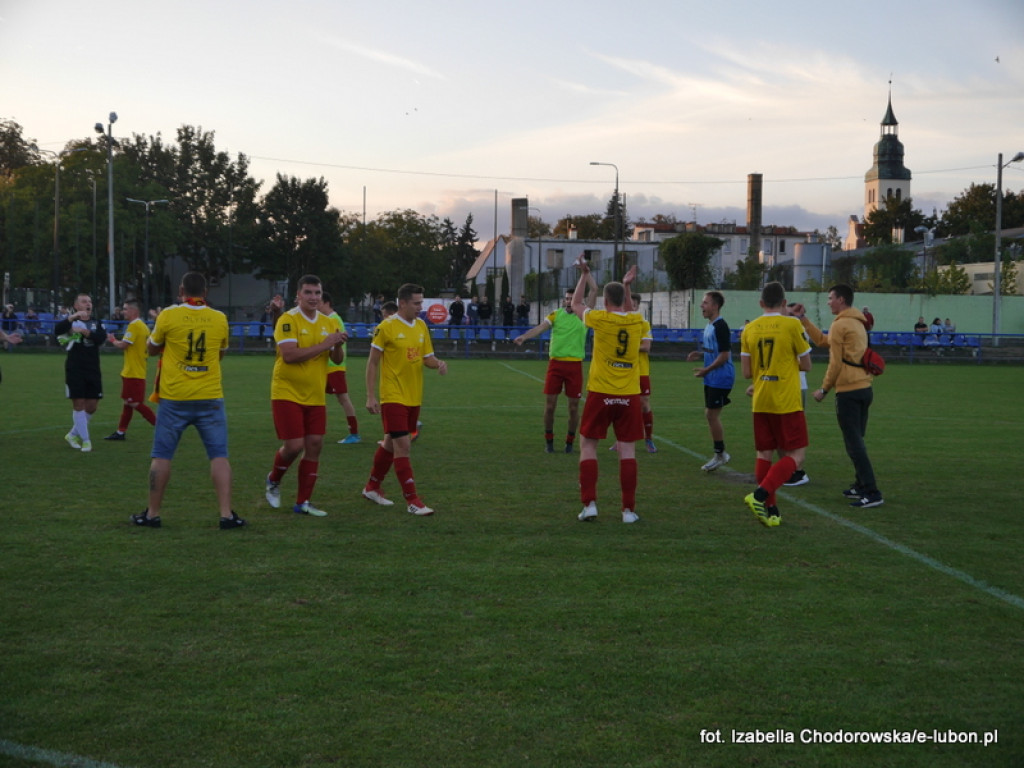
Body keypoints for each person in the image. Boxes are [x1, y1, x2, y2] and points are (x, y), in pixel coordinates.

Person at [131, 272, 244, 529]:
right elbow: (220, 354)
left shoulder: (168, 315)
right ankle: (226, 514)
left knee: (161, 456)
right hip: (210, 395)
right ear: (205, 292)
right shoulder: (219, 318)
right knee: (219, 456)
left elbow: (151, 348)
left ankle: (152, 514)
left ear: (181, 290)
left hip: (174, 397)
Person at [792, 284, 883, 509]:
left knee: (854, 444)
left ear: (841, 300)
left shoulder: (842, 324)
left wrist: (824, 389)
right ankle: (861, 485)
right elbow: (823, 341)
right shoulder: (856, 321)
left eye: (831, 298)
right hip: (864, 387)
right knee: (856, 440)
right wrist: (803, 319)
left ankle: (872, 491)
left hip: (849, 390)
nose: (828, 301)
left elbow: (835, 362)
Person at [264, 276, 347, 518]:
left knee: (315, 445)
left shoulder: (328, 322)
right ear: (298, 295)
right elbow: (289, 355)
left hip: (314, 393)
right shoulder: (288, 320)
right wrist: (326, 343)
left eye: (317, 293)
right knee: (294, 445)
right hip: (287, 391)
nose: (313, 297)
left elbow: (337, 359)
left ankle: (303, 502)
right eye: (308, 292)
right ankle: (273, 479)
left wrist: (338, 344)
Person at [362, 283, 448, 515]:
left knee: (390, 443)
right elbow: (372, 362)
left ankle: (372, 487)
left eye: (421, 302)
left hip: (413, 396)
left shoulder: (421, 326)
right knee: (403, 446)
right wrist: (371, 396)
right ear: (402, 303)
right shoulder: (386, 327)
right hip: (393, 395)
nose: (421, 307)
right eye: (417, 303)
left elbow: (426, 358)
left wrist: (438, 363)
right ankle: (412, 501)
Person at [573, 261, 645, 524]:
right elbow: (626, 312)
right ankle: (628, 511)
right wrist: (627, 287)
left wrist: (584, 276)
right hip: (629, 395)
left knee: (588, 446)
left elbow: (576, 304)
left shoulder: (600, 319)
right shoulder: (638, 320)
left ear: (604, 300)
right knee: (627, 451)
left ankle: (590, 504)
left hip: (600, 392)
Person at [740, 281, 812, 527]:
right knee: (797, 456)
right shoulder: (792, 324)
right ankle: (759, 496)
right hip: (786, 400)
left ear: (761, 303)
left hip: (761, 398)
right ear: (784, 303)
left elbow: (747, 372)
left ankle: (771, 510)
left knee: (764, 453)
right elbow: (807, 365)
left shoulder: (748, 329)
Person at [513, 277, 597, 454]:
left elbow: (595, 290)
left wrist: (585, 274)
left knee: (574, 407)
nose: (568, 301)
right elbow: (540, 327)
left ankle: (570, 442)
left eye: (571, 299)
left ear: (578, 301)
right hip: (556, 365)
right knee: (550, 405)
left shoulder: (584, 316)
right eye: (566, 298)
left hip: (574, 366)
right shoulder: (555, 314)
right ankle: (549, 440)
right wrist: (525, 337)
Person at [687, 291, 735, 471]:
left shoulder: (721, 326)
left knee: (711, 414)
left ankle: (720, 454)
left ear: (715, 306)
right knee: (710, 414)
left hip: (721, 377)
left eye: (705, 303)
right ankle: (720, 453)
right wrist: (700, 353)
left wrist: (706, 369)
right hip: (711, 377)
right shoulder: (710, 326)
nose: (702, 306)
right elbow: (714, 350)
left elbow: (724, 355)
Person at [55, 293, 106, 453]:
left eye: (90, 301)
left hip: (93, 369)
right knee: (79, 405)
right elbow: (57, 331)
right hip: (75, 368)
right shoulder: (71, 323)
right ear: (76, 306)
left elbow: (100, 338)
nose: (88, 304)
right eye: (84, 302)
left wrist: (85, 333)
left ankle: (72, 435)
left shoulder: (96, 323)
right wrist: (72, 318)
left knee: (92, 406)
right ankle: (86, 441)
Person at [104, 299, 157, 440]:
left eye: (126, 309)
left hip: (133, 372)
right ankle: (121, 432)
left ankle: (161, 427)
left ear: (134, 311)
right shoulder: (143, 326)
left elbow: (124, 345)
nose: (123, 311)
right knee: (128, 402)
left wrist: (113, 340)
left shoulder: (134, 326)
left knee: (134, 402)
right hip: (136, 370)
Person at [321, 292, 361, 445]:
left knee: (343, 398)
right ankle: (314, 429)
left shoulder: (334, 320)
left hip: (334, 366)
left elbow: (334, 342)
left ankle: (355, 433)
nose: (316, 306)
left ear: (327, 303)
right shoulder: (328, 320)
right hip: (327, 366)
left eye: (319, 303)